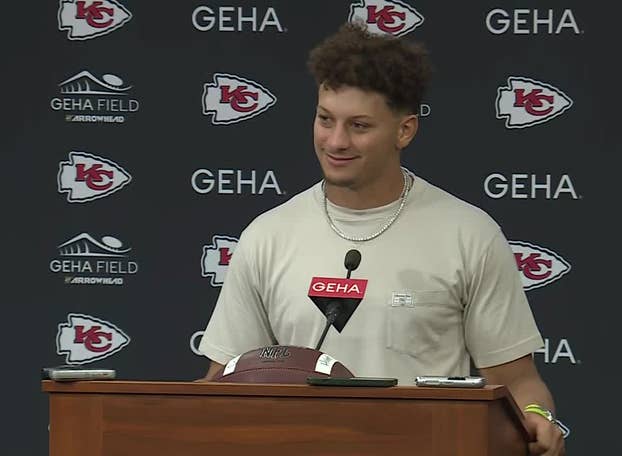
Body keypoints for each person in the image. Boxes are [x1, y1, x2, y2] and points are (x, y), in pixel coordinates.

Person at [197, 22, 565, 455]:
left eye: (359, 125)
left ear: (404, 130)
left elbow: (519, 382)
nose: (335, 141)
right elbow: (220, 382)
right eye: (325, 119)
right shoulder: (266, 236)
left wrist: (538, 419)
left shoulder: (470, 234)